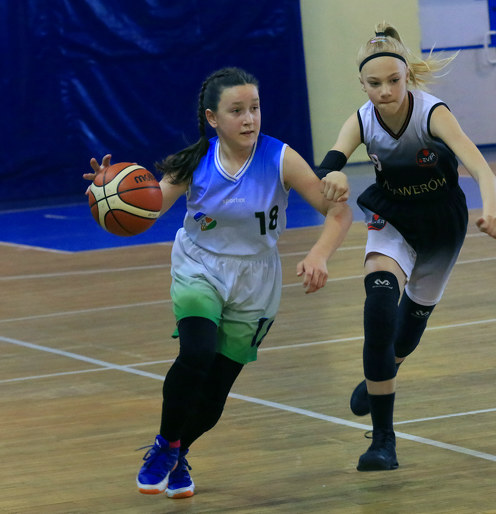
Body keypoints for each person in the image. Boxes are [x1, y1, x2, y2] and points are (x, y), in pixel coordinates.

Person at [84, 67, 352, 498]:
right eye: (237, 110)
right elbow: (148, 208)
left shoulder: (280, 158)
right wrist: (107, 192)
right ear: (212, 118)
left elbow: (338, 211)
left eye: (255, 108)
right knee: (196, 353)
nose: (249, 119)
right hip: (200, 266)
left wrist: (319, 254)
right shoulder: (194, 162)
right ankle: (164, 446)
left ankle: (179, 452)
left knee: (214, 394)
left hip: (257, 278)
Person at [317, 22, 496, 471]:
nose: (385, 91)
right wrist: (333, 174)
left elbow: (481, 169)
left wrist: (492, 210)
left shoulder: (431, 114)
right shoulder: (362, 119)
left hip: (441, 224)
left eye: (393, 80)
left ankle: (386, 368)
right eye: (374, 83)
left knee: (403, 336)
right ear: (362, 84)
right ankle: (384, 440)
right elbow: (329, 162)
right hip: (392, 217)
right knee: (379, 311)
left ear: (408, 76)